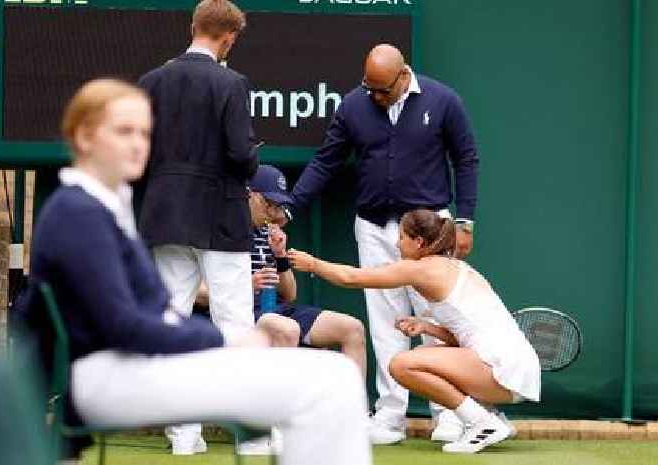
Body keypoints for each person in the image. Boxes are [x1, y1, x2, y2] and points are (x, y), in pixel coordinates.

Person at [20, 78, 371, 465]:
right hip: (102, 376)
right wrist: (226, 339)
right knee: (328, 383)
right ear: (84, 137)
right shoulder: (77, 212)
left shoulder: (107, 205)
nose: (138, 143)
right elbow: (122, 325)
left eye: (144, 132)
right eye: (123, 131)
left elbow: (153, 311)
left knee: (333, 377)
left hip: (129, 365)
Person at [290, 43, 480, 443]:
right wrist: (291, 206)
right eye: (368, 88)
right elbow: (326, 161)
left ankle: (447, 413)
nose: (373, 97)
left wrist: (464, 220)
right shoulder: (354, 105)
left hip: (431, 231)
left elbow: (466, 159)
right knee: (385, 322)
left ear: (402, 75)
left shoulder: (443, 100)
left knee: (436, 321)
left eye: (381, 90)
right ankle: (390, 416)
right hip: (374, 226)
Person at [287, 209, 540, 453]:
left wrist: (312, 264)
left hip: (502, 371)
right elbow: (463, 338)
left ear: (419, 242)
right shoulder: (456, 267)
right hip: (515, 371)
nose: (397, 245)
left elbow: (351, 278)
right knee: (425, 350)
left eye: (401, 238)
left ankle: (482, 423)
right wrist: (427, 327)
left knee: (402, 365)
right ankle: (491, 416)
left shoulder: (419, 269)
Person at [136, 0, 259, 452]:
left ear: (193, 28)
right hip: (220, 216)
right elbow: (242, 156)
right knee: (236, 323)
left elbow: (139, 153)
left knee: (173, 322)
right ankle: (248, 432)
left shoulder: (151, 82)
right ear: (229, 38)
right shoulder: (232, 83)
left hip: (165, 214)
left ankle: (183, 433)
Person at [195, 165, 367, 455]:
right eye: (269, 203)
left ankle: (352, 421)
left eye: (279, 205)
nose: (274, 212)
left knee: (352, 328)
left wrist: (280, 258)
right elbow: (196, 293)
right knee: (284, 328)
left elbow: (290, 293)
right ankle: (279, 423)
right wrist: (247, 284)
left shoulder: (267, 231)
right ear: (248, 195)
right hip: (239, 314)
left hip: (275, 309)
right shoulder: (218, 227)